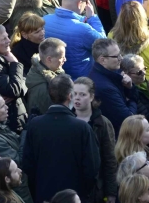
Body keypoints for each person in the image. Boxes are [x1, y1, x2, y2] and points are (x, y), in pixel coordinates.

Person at [22, 73, 100, 203]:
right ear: (70, 96)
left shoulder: (35, 125)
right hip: (75, 195)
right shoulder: (82, 127)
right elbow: (92, 167)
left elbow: (28, 164)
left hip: (43, 194)